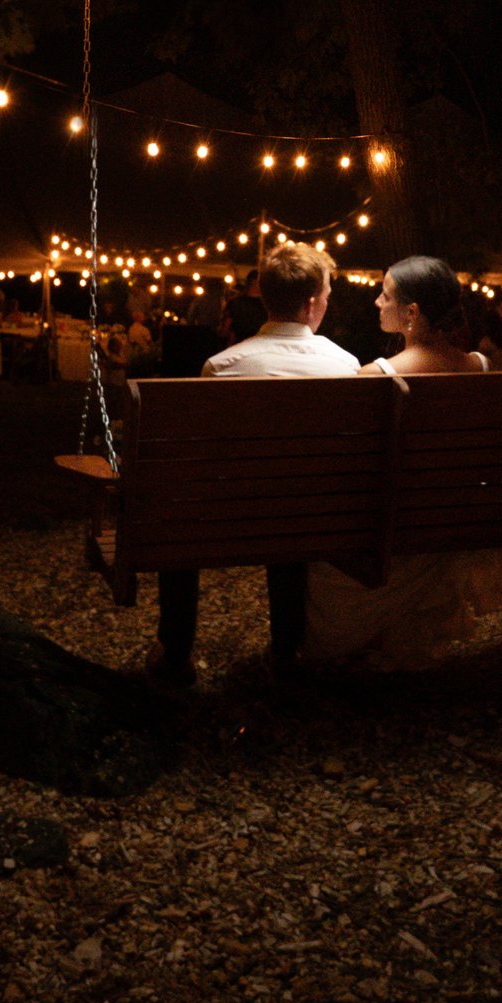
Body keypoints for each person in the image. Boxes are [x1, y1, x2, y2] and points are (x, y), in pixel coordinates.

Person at [302, 256, 502, 669]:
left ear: (411, 313)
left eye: (384, 295)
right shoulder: (480, 368)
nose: (375, 303)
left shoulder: (377, 377)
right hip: (452, 527)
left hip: (391, 531)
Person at [151, 241, 359, 689]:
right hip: (313, 518)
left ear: (265, 298)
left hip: (230, 517)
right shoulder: (345, 367)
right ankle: (287, 651)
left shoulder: (222, 366)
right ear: (310, 305)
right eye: (325, 296)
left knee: (180, 527)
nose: (326, 303)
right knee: (290, 518)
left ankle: (175, 653)